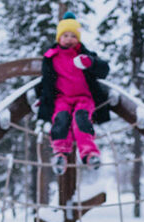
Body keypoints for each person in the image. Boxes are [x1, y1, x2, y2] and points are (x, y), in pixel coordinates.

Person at [38, 11, 110, 176]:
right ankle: (60, 154)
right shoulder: (51, 57)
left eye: (73, 36)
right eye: (65, 35)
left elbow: (104, 69)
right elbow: (47, 82)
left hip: (83, 98)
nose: (69, 39)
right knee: (61, 120)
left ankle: (89, 153)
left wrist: (90, 63)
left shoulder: (84, 54)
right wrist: (43, 101)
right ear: (59, 38)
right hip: (62, 98)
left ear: (78, 38)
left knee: (81, 119)